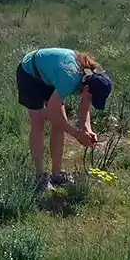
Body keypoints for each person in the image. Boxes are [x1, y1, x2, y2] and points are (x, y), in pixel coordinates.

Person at [16, 47, 113, 189]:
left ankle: (56, 174)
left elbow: (84, 106)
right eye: (93, 98)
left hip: (50, 76)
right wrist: (76, 134)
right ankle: (40, 177)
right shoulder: (70, 79)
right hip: (30, 73)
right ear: (87, 89)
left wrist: (87, 129)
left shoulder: (91, 79)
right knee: (38, 123)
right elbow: (50, 113)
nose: (91, 101)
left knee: (60, 125)